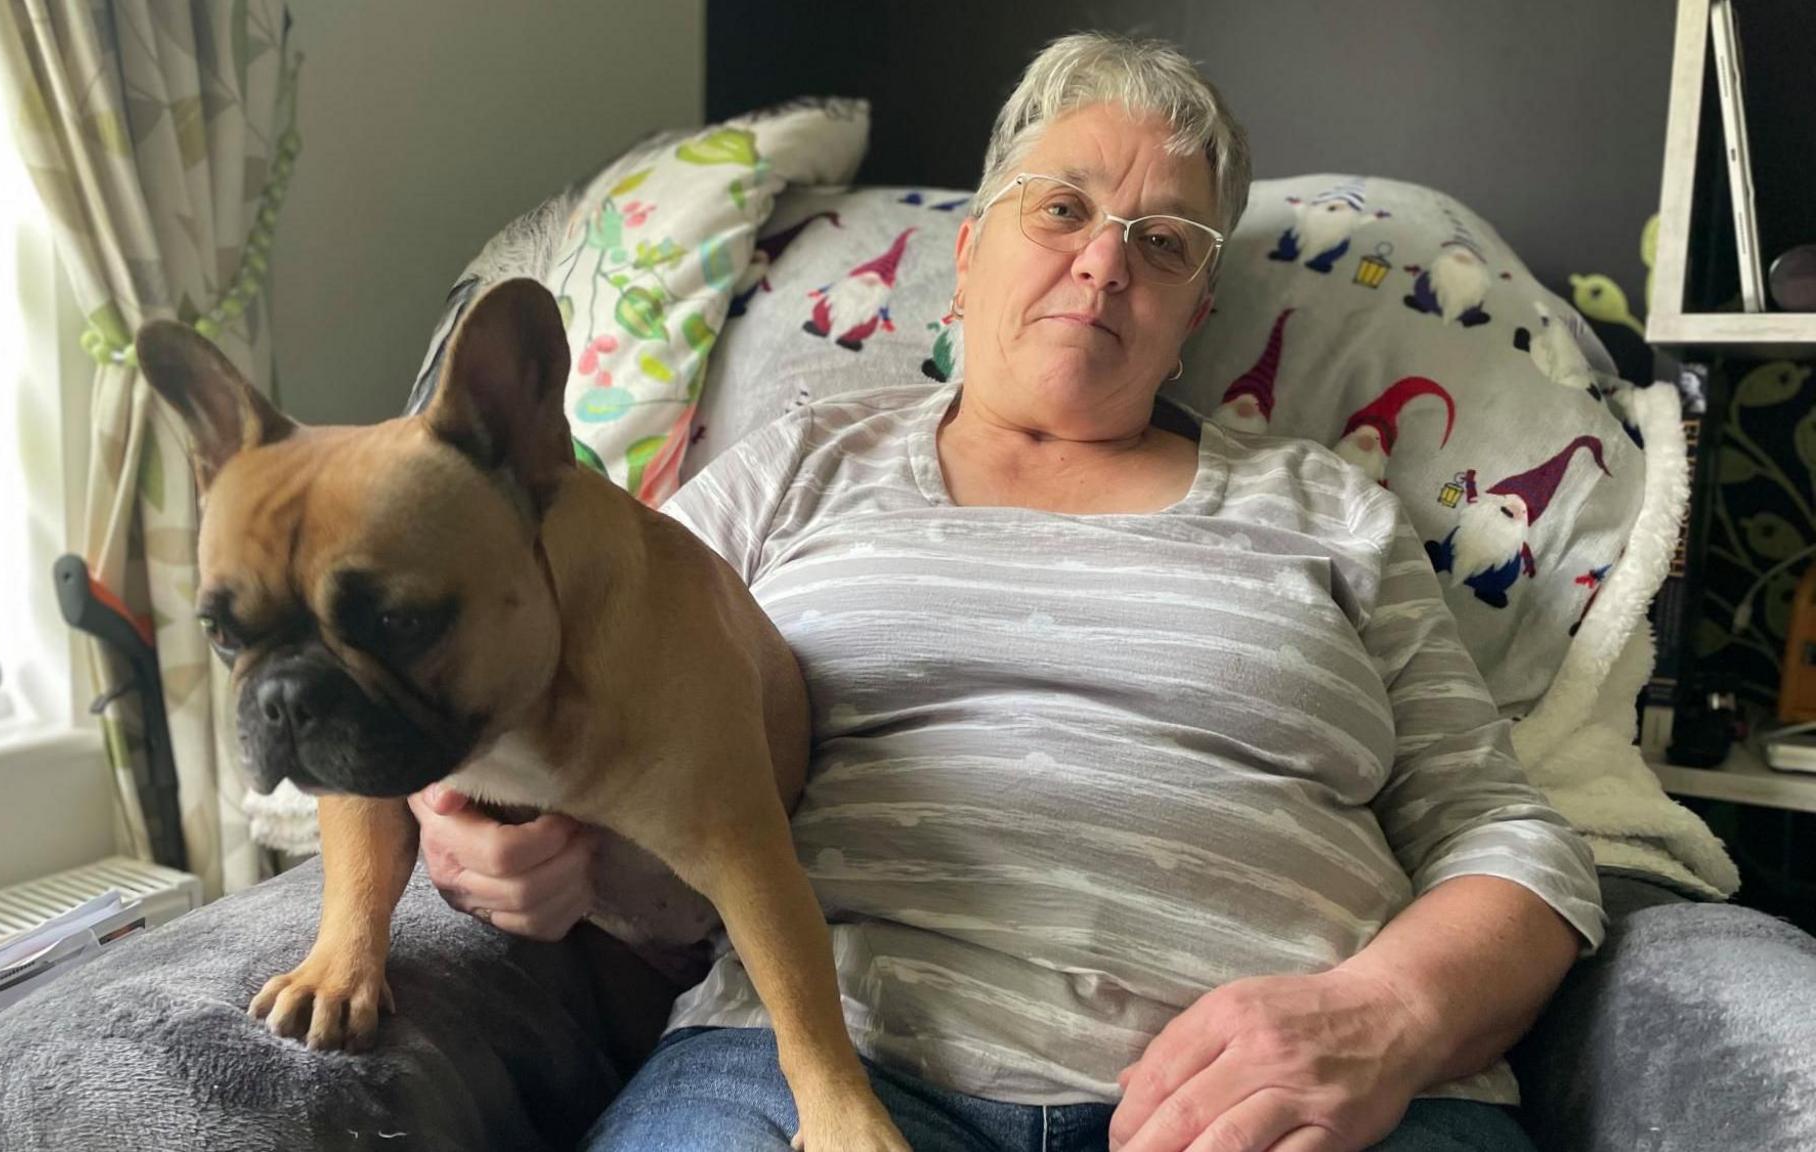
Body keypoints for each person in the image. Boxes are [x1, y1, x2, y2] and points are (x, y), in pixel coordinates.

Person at [410, 32, 1604, 1152]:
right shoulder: (795, 467)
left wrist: (1382, 1016)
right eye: (1064, 208)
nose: (1103, 262)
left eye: (1163, 240)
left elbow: (1505, 836)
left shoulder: (1328, 510)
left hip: (1279, 1106)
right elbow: (564, 665)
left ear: (1192, 311)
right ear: (970, 251)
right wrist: (487, 821)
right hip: (820, 1071)